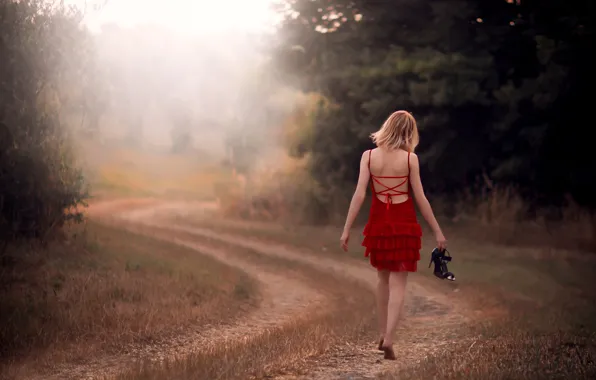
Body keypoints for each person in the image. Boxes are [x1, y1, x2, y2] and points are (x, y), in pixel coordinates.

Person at [339, 110, 447, 360]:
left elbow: (359, 194)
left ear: (387, 127)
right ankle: (389, 338)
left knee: (382, 279)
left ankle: (382, 332)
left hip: (379, 222)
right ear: (409, 133)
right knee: (399, 282)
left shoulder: (368, 157)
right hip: (403, 222)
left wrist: (346, 229)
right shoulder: (410, 160)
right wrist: (438, 231)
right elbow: (420, 197)